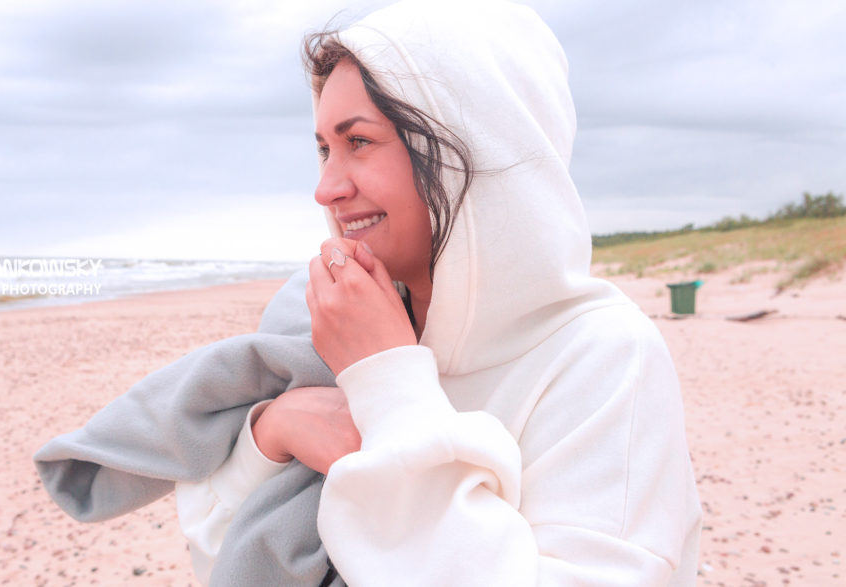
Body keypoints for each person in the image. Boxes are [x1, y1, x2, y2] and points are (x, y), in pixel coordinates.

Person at [174, 0, 702, 585]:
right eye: (325, 148)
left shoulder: (602, 357)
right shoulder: (323, 325)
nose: (326, 189)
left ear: (471, 149)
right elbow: (219, 556)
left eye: (360, 142)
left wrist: (386, 379)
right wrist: (272, 433)